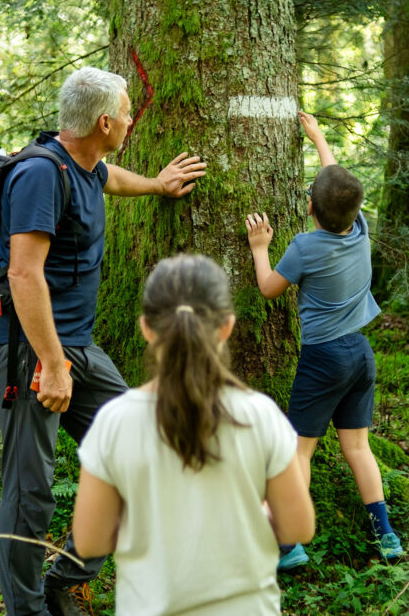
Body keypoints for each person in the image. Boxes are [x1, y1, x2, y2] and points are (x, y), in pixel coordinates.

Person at [0, 67, 207, 616]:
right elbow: (23, 274)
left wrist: (157, 184)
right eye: (127, 113)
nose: (132, 121)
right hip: (30, 351)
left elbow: (110, 179)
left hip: (77, 346)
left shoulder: (84, 165)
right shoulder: (40, 175)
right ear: (105, 122)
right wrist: (53, 363)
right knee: (30, 490)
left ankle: (66, 580)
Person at [72, 254, 315, 615]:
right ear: (227, 326)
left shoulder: (114, 421)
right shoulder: (260, 415)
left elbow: (90, 541)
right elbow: (298, 527)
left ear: (146, 328)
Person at [244, 111, 403, 571]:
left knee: (299, 450)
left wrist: (259, 249)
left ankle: (288, 542)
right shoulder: (359, 229)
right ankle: (386, 535)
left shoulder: (304, 247)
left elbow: (269, 288)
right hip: (360, 354)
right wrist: (318, 139)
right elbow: (338, 186)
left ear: (309, 207)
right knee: (358, 448)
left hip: (324, 358)